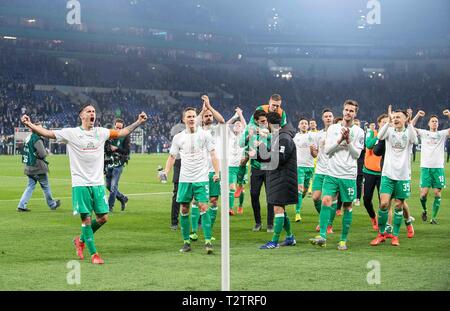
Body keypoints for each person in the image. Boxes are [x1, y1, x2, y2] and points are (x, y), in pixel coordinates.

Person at [21, 104, 147, 264]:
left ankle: (80, 240)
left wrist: (138, 122)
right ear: (81, 116)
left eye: (94, 111)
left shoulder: (101, 132)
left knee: (103, 218)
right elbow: (47, 133)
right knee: (86, 220)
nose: (92, 113)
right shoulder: (71, 133)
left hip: (97, 183)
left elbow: (122, 132)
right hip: (80, 183)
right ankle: (94, 254)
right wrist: (29, 124)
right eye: (89, 111)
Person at [163, 107, 220, 254]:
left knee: (203, 206)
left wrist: (217, 172)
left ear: (197, 118)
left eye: (193, 116)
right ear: (184, 120)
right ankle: (186, 242)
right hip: (185, 178)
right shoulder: (178, 137)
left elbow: (213, 154)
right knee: (184, 209)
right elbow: (172, 157)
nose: (191, 118)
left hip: (201, 178)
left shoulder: (205, 135)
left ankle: (208, 241)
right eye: (188, 116)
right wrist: (166, 172)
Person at [310, 100, 364, 250]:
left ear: (355, 113)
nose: (348, 113)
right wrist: (340, 140)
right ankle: (322, 236)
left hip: (348, 175)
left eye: (351, 111)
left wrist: (349, 142)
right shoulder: (333, 128)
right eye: (346, 110)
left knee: (347, 206)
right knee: (326, 200)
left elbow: (357, 155)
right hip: (332, 172)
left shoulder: (359, 132)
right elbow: (327, 151)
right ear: (343, 110)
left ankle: (343, 240)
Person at [370, 106, 417, 247]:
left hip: (403, 176)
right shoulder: (389, 131)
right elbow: (379, 136)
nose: (395, 119)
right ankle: (381, 234)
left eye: (398, 117)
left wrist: (409, 124)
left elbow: (415, 140)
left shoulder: (409, 132)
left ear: (405, 119)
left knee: (398, 206)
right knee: (384, 204)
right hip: (388, 174)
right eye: (394, 117)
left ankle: (395, 236)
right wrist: (388, 121)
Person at [259, 112, 298, 249]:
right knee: (280, 208)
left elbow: (279, 159)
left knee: (278, 208)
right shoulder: (279, 137)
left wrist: (261, 149)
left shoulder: (284, 138)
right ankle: (290, 238)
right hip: (279, 178)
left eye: (265, 123)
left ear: (270, 123)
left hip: (283, 178)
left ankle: (274, 242)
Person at [188, 95, 224, 242]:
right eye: (206, 115)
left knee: (214, 200)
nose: (209, 117)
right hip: (199, 171)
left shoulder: (216, 129)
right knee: (196, 201)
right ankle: (194, 231)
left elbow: (221, 120)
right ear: (202, 118)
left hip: (214, 170)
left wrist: (209, 106)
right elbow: (192, 123)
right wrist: (202, 111)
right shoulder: (196, 131)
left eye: (210, 115)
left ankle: (209, 229)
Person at [411, 109, 450, 224]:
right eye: (432, 121)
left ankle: (433, 218)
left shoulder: (442, 134)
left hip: (438, 168)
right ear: (429, 123)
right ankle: (425, 210)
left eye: (436, 121)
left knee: (437, 193)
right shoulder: (424, 133)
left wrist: (449, 115)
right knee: (423, 194)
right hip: (425, 168)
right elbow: (410, 126)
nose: (434, 123)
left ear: (438, 124)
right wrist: (417, 115)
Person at [240, 109, 274, 232]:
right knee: (254, 195)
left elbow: (277, 139)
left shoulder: (269, 128)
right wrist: (248, 136)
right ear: (255, 121)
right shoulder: (250, 129)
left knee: (271, 196)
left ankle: (270, 224)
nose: (265, 123)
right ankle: (258, 222)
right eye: (262, 121)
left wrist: (267, 135)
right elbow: (240, 143)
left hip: (269, 167)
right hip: (255, 167)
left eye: (266, 121)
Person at [18, 121, 61, 212]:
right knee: (45, 186)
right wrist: (46, 152)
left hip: (29, 166)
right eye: (40, 128)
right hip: (38, 168)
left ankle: (21, 205)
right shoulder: (37, 139)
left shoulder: (28, 137)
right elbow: (42, 154)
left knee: (30, 186)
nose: (42, 130)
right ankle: (52, 204)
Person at [311, 109, 337, 234]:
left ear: (333, 118)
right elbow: (315, 154)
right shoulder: (318, 135)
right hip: (320, 170)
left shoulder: (338, 132)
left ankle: (328, 225)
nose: (328, 118)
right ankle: (324, 220)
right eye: (326, 116)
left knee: (331, 199)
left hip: (334, 170)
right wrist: (312, 150)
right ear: (322, 119)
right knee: (316, 197)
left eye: (330, 116)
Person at [363, 114, 389, 230]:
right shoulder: (371, 133)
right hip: (369, 172)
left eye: (387, 122)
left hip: (383, 173)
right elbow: (368, 144)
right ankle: (373, 217)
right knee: (367, 199)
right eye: (383, 122)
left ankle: (382, 223)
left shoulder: (389, 136)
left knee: (382, 201)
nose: (385, 124)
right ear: (379, 123)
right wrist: (379, 136)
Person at [104, 118, 130, 212]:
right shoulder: (109, 135)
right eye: (117, 127)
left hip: (119, 164)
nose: (118, 129)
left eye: (120, 128)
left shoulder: (125, 136)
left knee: (113, 186)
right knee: (108, 186)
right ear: (114, 126)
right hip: (109, 163)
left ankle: (110, 207)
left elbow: (127, 151)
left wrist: (117, 149)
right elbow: (105, 150)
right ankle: (122, 198)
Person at [293, 117, 316, 222]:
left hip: (310, 166)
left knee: (305, 191)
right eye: (301, 123)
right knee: (300, 189)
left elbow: (315, 154)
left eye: (305, 123)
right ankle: (297, 213)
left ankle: (297, 201)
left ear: (308, 125)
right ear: (299, 126)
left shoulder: (312, 137)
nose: (304, 125)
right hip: (299, 166)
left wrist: (313, 150)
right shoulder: (295, 137)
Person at [226, 107, 246, 215]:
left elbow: (245, 125)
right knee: (232, 188)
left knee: (241, 189)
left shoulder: (243, 135)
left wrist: (240, 115)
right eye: (235, 125)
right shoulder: (230, 136)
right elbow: (225, 126)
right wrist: (235, 116)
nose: (237, 125)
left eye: (239, 125)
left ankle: (241, 205)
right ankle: (230, 208)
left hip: (242, 166)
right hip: (231, 166)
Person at [353, 119, 365, 207]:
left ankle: (357, 199)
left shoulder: (363, 135)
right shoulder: (350, 134)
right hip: (350, 162)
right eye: (355, 124)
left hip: (360, 161)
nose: (357, 125)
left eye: (358, 124)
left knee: (358, 181)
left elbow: (366, 148)